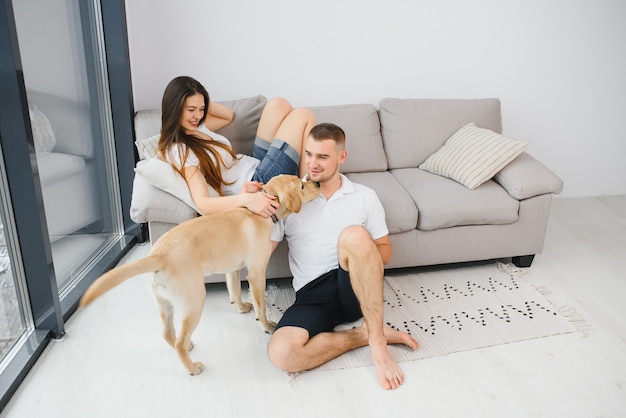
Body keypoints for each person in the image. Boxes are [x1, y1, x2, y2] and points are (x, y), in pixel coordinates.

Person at [267, 123, 419, 390]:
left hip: (353, 286)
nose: (312, 164)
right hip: (311, 295)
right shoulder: (288, 197)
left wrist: (360, 253)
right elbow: (260, 253)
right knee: (281, 354)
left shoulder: (364, 197)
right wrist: (251, 204)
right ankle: (363, 335)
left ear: (341, 157)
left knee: (354, 235)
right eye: (309, 154)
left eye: (323, 157)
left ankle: (378, 345)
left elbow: (386, 251)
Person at [156, 76, 316, 218]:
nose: (197, 116)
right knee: (303, 115)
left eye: (201, 109)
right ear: (174, 108)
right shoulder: (180, 150)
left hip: (255, 164)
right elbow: (203, 203)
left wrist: (200, 99)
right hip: (259, 183)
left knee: (278, 104)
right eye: (191, 110)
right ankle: (307, 186)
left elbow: (227, 116)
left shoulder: (196, 127)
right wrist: (246, 199)